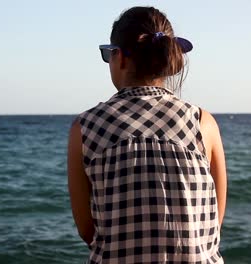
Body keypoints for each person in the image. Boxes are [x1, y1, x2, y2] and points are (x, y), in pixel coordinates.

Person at [67, 6, 227, 263]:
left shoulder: (84, 128)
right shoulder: (202, 122)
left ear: (119, 57)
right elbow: (213, 222)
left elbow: (87, 230)